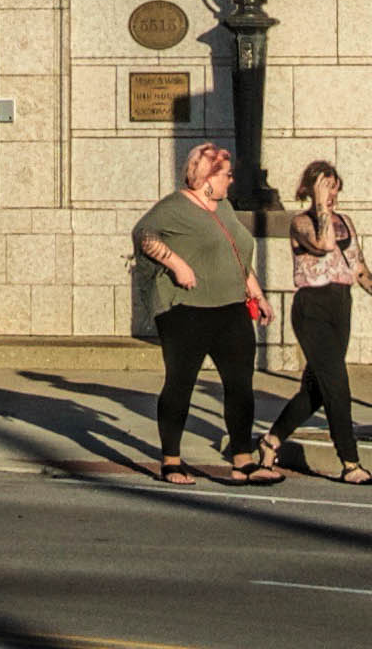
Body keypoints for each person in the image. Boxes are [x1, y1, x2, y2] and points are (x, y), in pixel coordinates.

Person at [132, 137, 276, 484]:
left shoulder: (223, 207)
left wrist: (257, 292)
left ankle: (242, 459)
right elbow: (143, 234)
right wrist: (177, 264)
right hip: (187, 311)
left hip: (231, 308)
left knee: (240, 385)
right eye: (225, 174)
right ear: (207, 177)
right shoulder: (174, 207)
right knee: (181, 384)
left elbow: (236, 253)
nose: (231, 180)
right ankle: (171, 460)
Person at [264, 157, 372, 481]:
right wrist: (320, 206)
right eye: (325, 187)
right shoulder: (301, 222)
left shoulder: (346, 222)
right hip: (312, 307)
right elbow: (323, 246)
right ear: (309, 189)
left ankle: (271, 440)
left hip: (341, 304)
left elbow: (358, 267)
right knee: (337, 383)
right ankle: (350, 462)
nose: (332, 194)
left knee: (316, 390)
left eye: (334, 186)